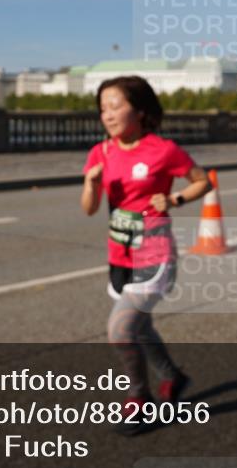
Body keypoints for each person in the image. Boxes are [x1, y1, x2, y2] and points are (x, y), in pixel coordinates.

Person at [81, 76, 211, 435]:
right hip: (118, 255)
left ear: (139, 110)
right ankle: (173, 377)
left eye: (115, 106)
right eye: (102, 108)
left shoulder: (162, 150)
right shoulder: (101, 152)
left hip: (153, 251)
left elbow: (203, 180)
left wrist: (174, 199)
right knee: (141, 328)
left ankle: (139, 400)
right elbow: (89, 209)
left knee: (121, 331)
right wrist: (91, 184)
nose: (107, 115)